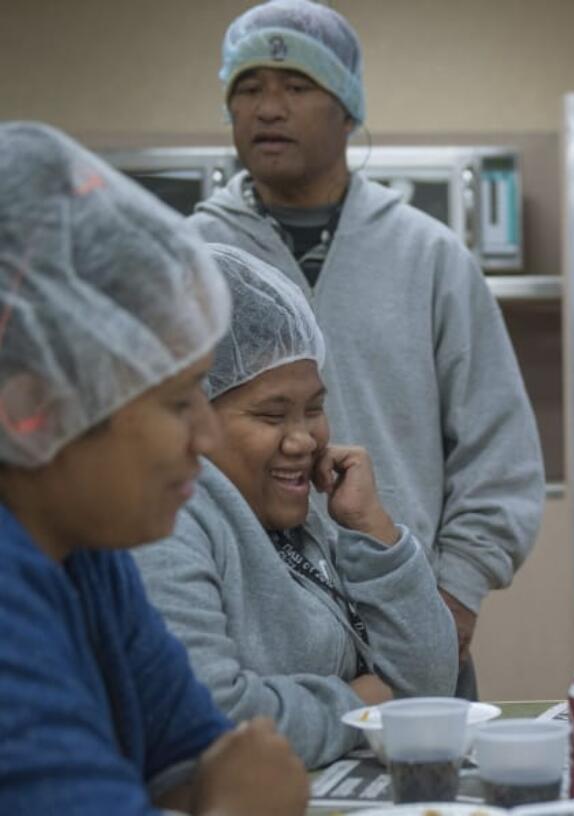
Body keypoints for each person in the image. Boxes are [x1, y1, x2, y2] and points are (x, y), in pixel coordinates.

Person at [188, 0, 545, 697]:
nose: (268, 109)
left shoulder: (429, 256)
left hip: (412, 623)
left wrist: (450, 601)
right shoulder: (188, 258)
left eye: (296, 87)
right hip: (253, 633)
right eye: (249, 89)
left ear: (348, 109)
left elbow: (499, 456)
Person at [0, 122, 308, 815]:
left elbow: (190, 757)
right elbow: (224, 783)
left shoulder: (82, 551)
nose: (205, 434)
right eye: (177, 400)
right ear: (35, 404)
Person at [132, 243, 459, 770]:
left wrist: (371, 531)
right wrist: (357, 708)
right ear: (190, 414)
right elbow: (207, 718)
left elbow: (425, 687)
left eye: (314, 409)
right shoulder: (169, 524)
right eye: (271, 415)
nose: (304, 440)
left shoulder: (298, 521)